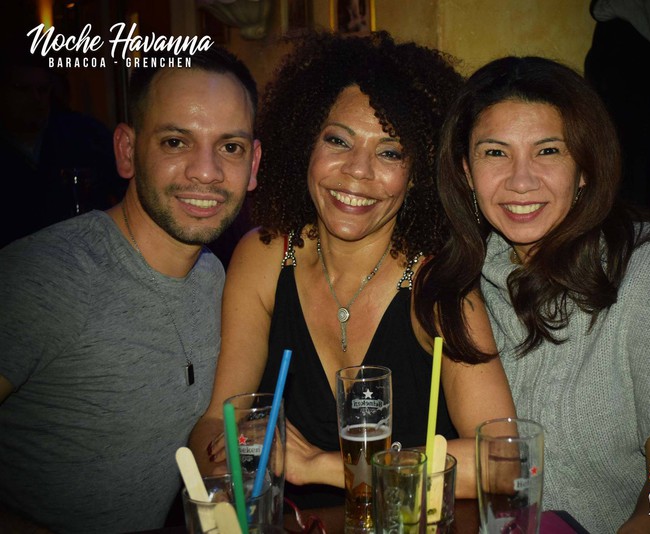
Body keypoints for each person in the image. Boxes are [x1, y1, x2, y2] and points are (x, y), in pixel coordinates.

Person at [414, 56, 650, 533]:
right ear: (466, 171)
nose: (521, 180)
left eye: (548, 151)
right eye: (495, 153)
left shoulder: (648, 265)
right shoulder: (463, 283)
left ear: (586, 167)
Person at [188, 31, 516, 508]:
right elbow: (217, 423)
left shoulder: (437, 284)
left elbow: (502, 460)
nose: (357, 170)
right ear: (306, 145)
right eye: (338, 141)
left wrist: (323, 466)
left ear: (418, 173)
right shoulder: (263, 257)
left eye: (389, 152)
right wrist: (229, 469)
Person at [0, 45, 261, 533]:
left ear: (254, 164)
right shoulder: (46, 274)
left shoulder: (217, 279)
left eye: (230, 147)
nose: (206, 171)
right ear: (126, 151)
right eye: (176, 142)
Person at [0, 40, 127, 249]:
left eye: (42, 90)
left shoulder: (85, 136)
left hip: (89, 252)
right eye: (22, 89)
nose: (35, 99)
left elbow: (126, 191)